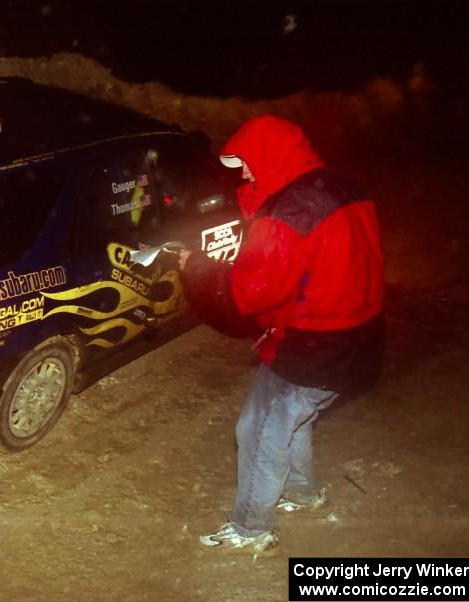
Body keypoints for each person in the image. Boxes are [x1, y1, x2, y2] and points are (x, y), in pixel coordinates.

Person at [178, 115, 384, 555]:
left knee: (259, 429)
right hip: (360, 335)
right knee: (295, 419)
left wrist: (197, 268)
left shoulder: (288, 213)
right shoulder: (340, 187)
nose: (244, 174)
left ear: (270, 155)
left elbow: (250, 293)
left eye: (247, 164)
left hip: (313, 345)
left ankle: (252, 527)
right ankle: (305, 493)